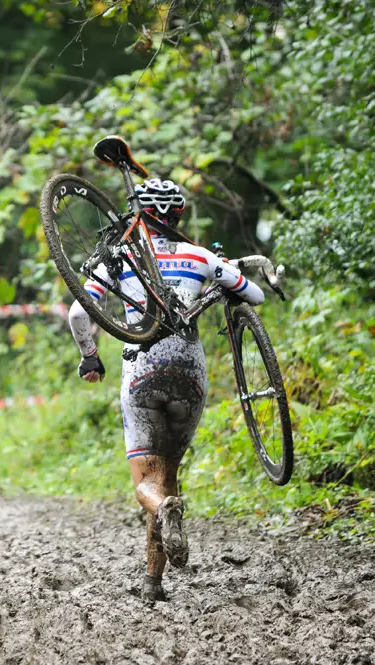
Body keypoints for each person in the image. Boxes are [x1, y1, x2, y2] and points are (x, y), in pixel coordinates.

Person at [67, 177, 265, 602]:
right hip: (189, 374)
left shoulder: (118, 259)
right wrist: (222, 267)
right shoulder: (200, 254)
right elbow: (257, 295)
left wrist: (89, 356)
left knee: (147, 486)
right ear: (178, 215)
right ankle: (152, 583)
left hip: (141, 370)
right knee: (168, 476)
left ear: (135, 214)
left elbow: (77, 315)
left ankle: (161, 511)